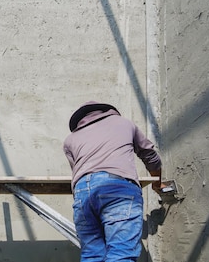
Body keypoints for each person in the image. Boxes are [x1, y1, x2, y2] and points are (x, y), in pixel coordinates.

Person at [63, 101, 166, 261]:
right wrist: (157, 184)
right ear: (107, 111)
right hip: (117, 187)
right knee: (121, 254)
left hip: (83, 193)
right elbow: (150, 156)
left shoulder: (70, 140)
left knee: (92, 255)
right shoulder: (124, 124)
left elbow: (78, 172)